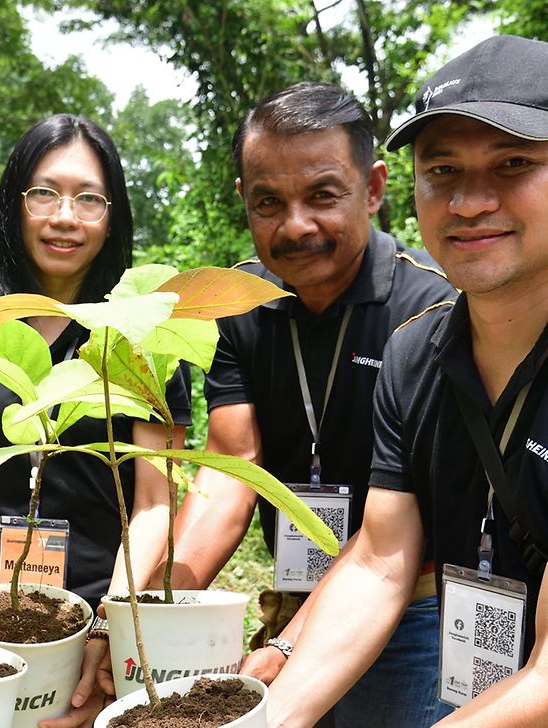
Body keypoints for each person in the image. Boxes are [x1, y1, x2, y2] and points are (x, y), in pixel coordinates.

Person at [265, 34, 548, 727]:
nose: (471, 201)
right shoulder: (414, 354)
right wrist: (273, 716)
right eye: (442, 170)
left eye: (513, 163)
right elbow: (382, 561)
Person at [159, 82, 455, 726]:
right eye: (269, 202)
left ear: (373, 188)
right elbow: (230, 468)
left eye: (322, 195)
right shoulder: (238, 305)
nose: (295, 226)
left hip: (414, 609)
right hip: (294, 601)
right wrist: (155, 607)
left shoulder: (433, 307)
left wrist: (296, 642)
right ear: (244, 201)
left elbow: (407, 530)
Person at [0, 113, 192, 726]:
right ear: (13, 205)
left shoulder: (140, 339)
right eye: (44, 192)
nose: (65, 216)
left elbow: (154, 501)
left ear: (113, 216)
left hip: (98, 620)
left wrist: (104, 626)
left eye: (89, 199)